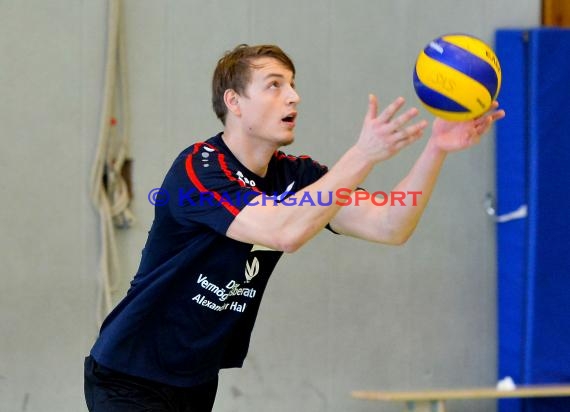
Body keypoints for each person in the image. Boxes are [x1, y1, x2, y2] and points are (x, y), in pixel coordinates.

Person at [84, 44, 505, 411]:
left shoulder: (297, 177)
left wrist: (437, 148)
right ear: (234, 101)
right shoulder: (198, 168)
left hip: (194, 378)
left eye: (293, 84)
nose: (294, 97)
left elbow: (390, 225)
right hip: (129, 373)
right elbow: (284, 231)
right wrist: (363, 154)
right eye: (275, 85)